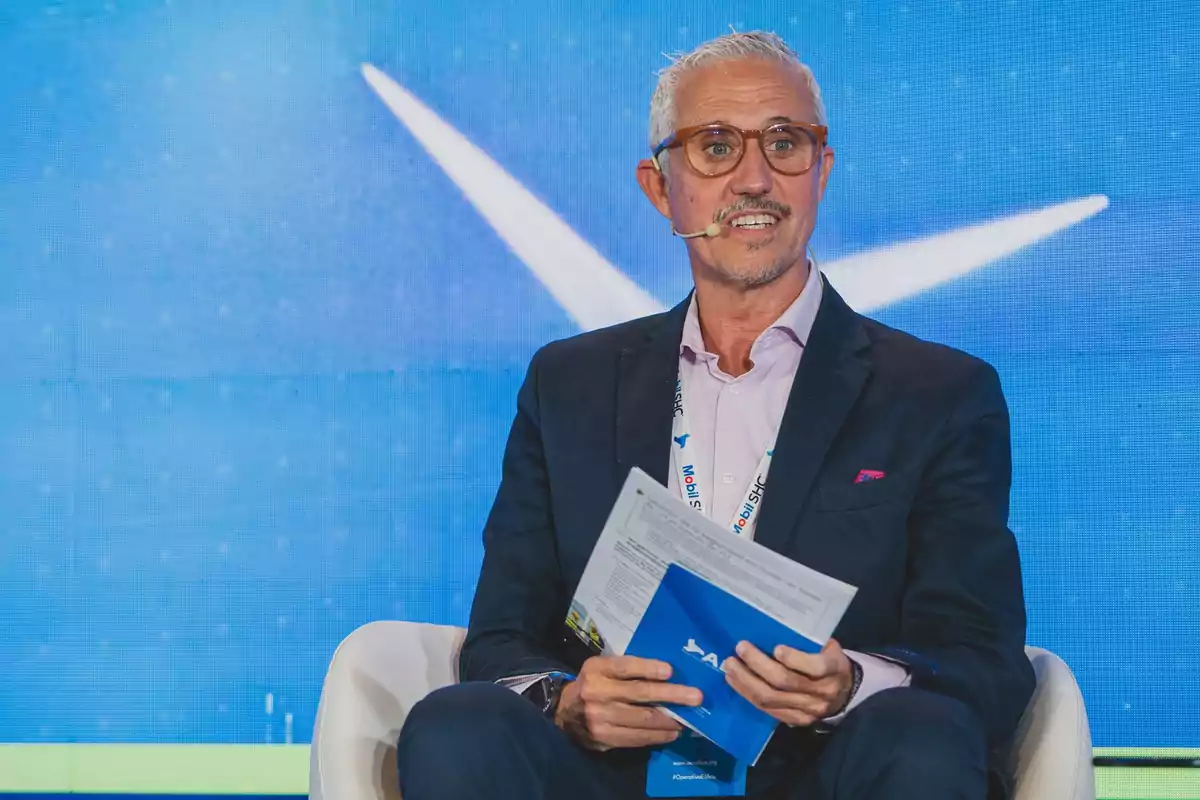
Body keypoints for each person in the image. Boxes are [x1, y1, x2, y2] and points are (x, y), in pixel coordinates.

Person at [396, 30, 1035, 800]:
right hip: (611, 774)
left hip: (820, 773)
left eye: (786, 144)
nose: (755, 179)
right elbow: (501, 637)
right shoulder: (568, 383)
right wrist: (568, 704)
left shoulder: (938, 393)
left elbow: (983, 659)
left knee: (923, 733)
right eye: (716, 146)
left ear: (821, 172)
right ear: (660, 187)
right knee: (455, 722)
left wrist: (851, 686)